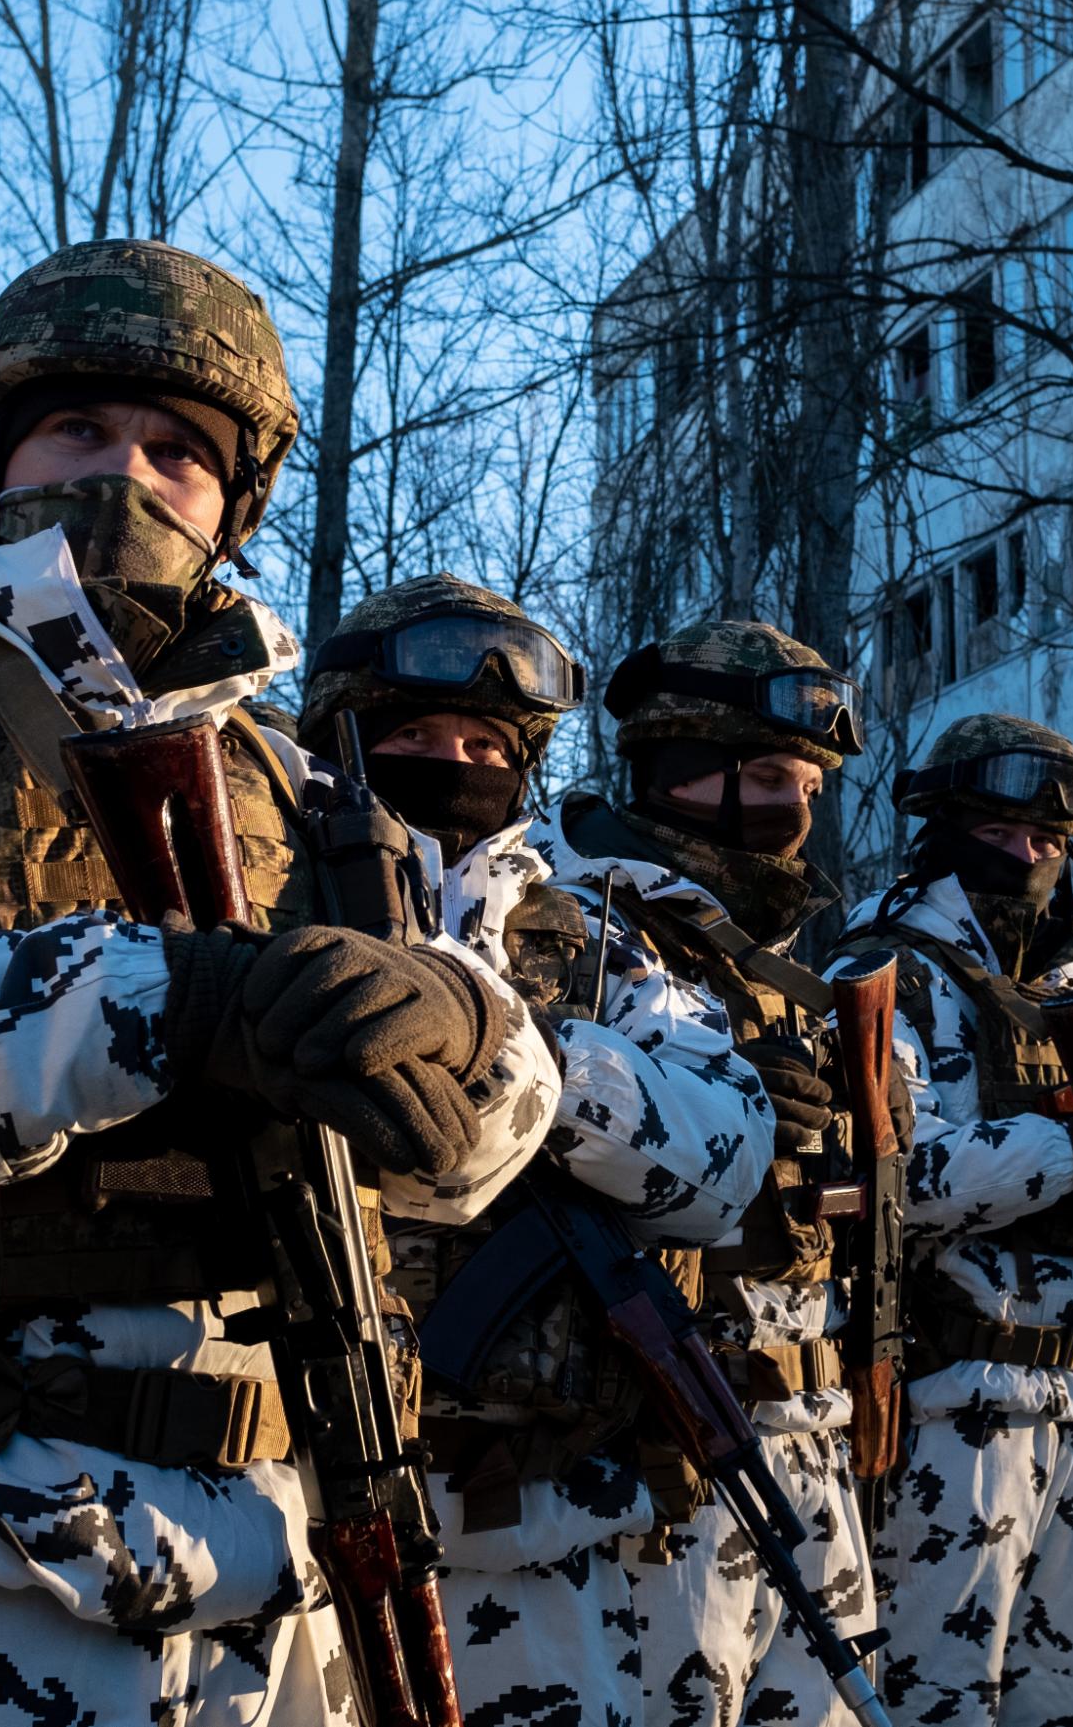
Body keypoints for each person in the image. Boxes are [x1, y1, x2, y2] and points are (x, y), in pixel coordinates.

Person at [0, 239, 562, 1724]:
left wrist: (469, 1046)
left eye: (178, 452)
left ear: (234, 504)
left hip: (287, 1560)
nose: (128, 477)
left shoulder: (301, 790)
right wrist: (177, 1003)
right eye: (79, 429)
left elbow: (476, 1147)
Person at [300, 583, 781, 1726]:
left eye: (484, 744)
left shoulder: (580, 930)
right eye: (415, 737)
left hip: (539, 1521)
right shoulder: (268, 890)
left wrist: (509, 1049)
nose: (455, 764)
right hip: (294, 1520)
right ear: (343, 735)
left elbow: (730, 1153)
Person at [519, 619, 888, 1727]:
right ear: (687, 774)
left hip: (806, 1442)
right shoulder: (567, 917)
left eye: (811, 782)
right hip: (665, 1457)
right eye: (772, 774)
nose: (799, 808)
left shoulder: (764, 956)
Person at [835, 713, 1073, 1726]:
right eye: (1001, 834)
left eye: (1048, 843)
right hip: (946, 1414)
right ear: (943, 828)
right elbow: (896, 1179)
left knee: (1066, 1706)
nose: (1026, 859)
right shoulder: (888, 972)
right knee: (937, 1703)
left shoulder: (1069, 989)